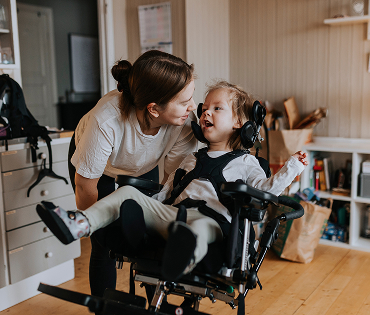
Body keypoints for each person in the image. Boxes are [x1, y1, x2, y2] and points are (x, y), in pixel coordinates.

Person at [38, 80, 308, 283]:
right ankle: (80, 223)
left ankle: (183, 259)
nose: (205, 113)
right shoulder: (192, 157)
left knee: (200, 229)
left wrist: (292, 166)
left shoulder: (247, 163)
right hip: (174, 213)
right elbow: (168, 190)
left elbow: (265, 191)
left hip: (212, 220)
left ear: (239, 122)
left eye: (217, 108)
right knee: (128, 194)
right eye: (204, 108)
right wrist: (144, 206)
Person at [68, 50, 198, 297]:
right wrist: (101, 228)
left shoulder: (184, 124)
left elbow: (170, 186)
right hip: (99, 168)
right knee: (105, 244)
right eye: (184, 102)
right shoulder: (105, 121)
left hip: (143, 164)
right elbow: (85, 187)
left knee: (149, 237)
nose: (192, 107)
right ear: (154, 109)